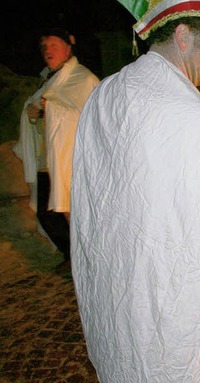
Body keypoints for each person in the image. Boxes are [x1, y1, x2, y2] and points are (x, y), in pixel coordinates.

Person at [70, 0, 200, 381]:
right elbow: (199, 238)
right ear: (182, 36)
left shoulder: (106, 93)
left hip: (122, 296)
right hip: (173, 305)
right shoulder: (194, 118)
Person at [12, 27, 99, 274]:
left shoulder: (83, 78)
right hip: (46, 157)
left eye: (54, 45)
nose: (48, 50)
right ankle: (72, 255)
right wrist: (31, 112)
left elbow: (91, 117)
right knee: (46, 212)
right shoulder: (48, 78)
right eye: (45, 46)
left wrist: (49, 109)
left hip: (68, 157)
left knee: (71, 211)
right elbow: (39, 108)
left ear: (68, 48)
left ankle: (83, 261)